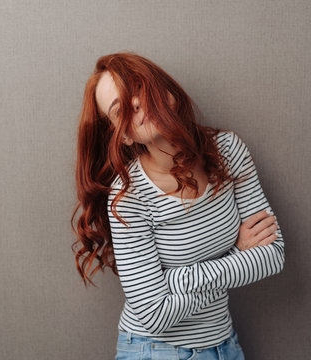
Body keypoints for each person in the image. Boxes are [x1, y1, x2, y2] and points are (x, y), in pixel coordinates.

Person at [71, 52, 285, 360]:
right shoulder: (128, 197)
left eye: (137, 87)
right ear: (126, 136)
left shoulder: (228, 150)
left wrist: (176, 279)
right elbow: (154, 315)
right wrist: (238, 256)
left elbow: (273, 255)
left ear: (164, 90)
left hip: (226, 345)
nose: (134, 105)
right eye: (119, 111)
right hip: (154, 350)